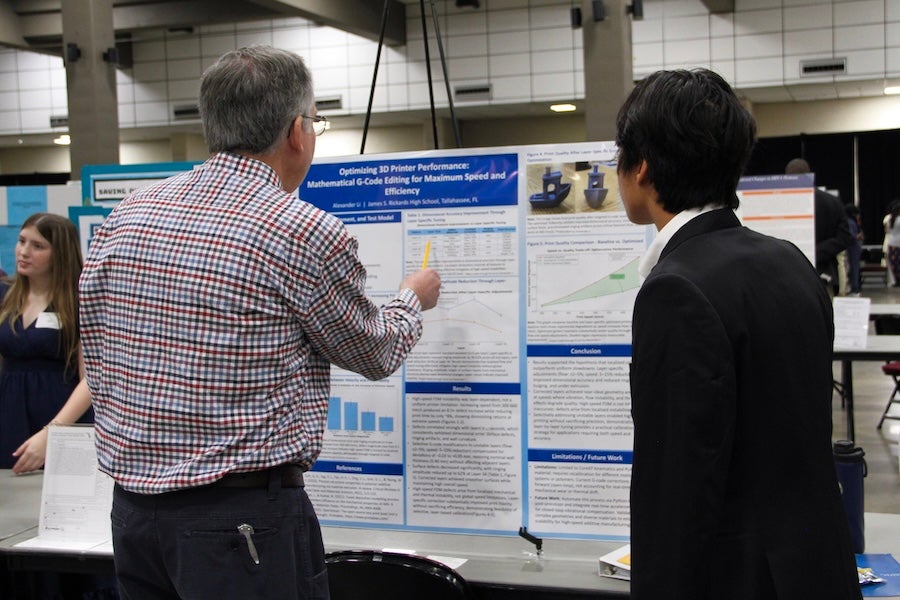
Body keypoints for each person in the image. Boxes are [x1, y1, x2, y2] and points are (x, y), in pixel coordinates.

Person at [79, 45, 441, 599]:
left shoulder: (126, 215)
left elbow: (97, 351)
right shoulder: (302, 230)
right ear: (297, 131)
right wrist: (410, 300)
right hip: (240, 523)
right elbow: (375, 351)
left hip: (133, 516)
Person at [617, 68, 861, 600]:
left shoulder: (674, 290)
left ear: (642, 167)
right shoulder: (791, 263)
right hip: (820, 570)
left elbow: (675, 498)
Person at [0, 212, 94, 473]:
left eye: (37, 246)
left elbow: (91, 379)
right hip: (9, 414)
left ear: (59, 253)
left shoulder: (79, 301)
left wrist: (52, 433)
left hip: (61, 417)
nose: (23, 251)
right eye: (21, 241)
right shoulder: (5, 296)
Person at [785, 157, 853, 296]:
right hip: (823, 275)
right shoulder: (832, 202)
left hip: (789, 277)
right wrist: (817, 251)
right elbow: (845, 238)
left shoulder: (781, 203)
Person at [844, 203, 863, 295]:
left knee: (853, 267)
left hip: (853, 247)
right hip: (853, 247)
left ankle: (854, 285)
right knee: (854, 267)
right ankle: (854, 286)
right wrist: (858, 236)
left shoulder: (849, 221)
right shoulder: (850, 222)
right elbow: (851, 236)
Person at [883, 200, 900, 285]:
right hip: (898, 243)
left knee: (891, 265)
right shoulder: (899, 219)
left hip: (889, 242)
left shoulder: (887, 218)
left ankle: (892, 281)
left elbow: (886, 230)